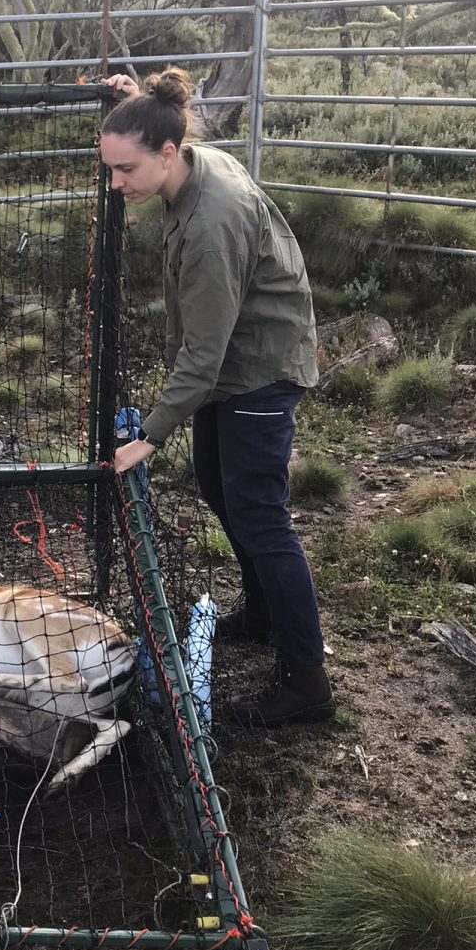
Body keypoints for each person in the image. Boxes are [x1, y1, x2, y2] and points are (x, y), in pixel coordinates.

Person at [101, 68, 334, 728]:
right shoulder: (181, 158)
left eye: (125, 170)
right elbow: (205, 355)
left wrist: (147, 436)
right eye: (112, 169)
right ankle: (262, 614)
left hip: (258, 367)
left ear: (166, 154)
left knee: (260, 513)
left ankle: (307, 678)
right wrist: (132, 102)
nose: (117, 184)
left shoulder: (210, 225)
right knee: (218, 482)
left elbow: (203, 357)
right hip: (228, 363)